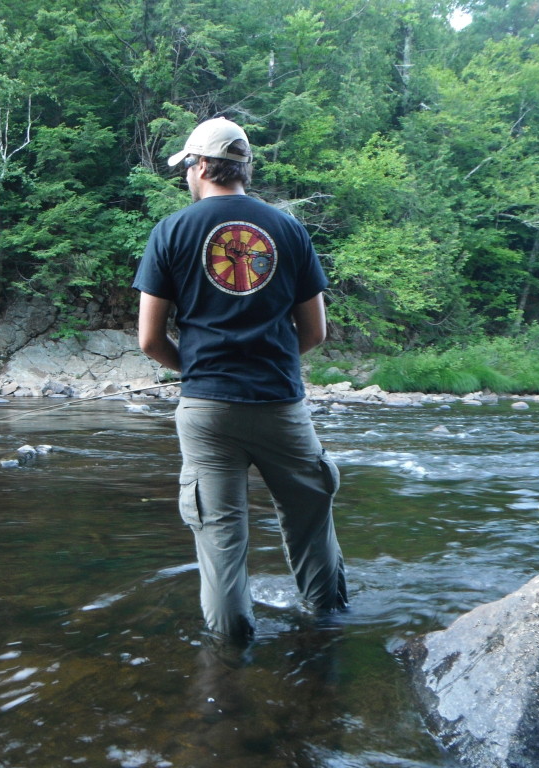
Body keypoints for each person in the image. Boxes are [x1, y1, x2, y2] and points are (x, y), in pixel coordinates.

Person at [133, 116, 348, 644]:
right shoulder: (289, 229)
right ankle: (329, 636)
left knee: (221, 538)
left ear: (202, 165)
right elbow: (315, 331)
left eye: (186, 165)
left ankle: (230, 658)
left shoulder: (171, 232)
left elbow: (149, 340)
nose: (185, 174)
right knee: (309, 523)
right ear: (242, 168)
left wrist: (199, 371)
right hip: (280, 405)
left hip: (206, 411)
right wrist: (267, 362)